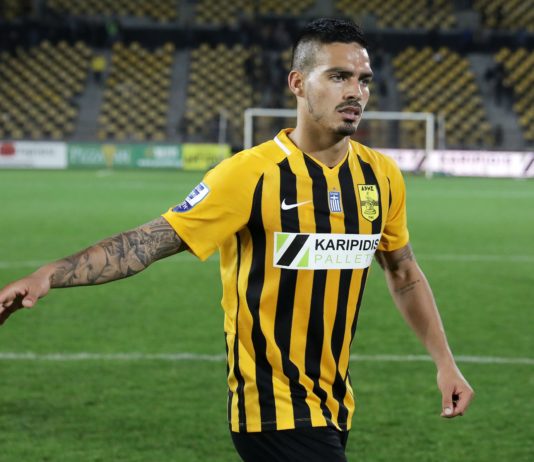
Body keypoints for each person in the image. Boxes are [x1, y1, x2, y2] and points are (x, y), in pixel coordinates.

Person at [0, 18, 473, 462]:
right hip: (269, 407)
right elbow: (149, 242)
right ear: (297, 83)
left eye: (363, 80)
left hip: (334, 402)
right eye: (338, 77)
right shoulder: (248, 174)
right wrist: (50, 274)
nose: (355, 92)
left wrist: (445, 363)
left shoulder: (381, 175)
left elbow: (403, 272)